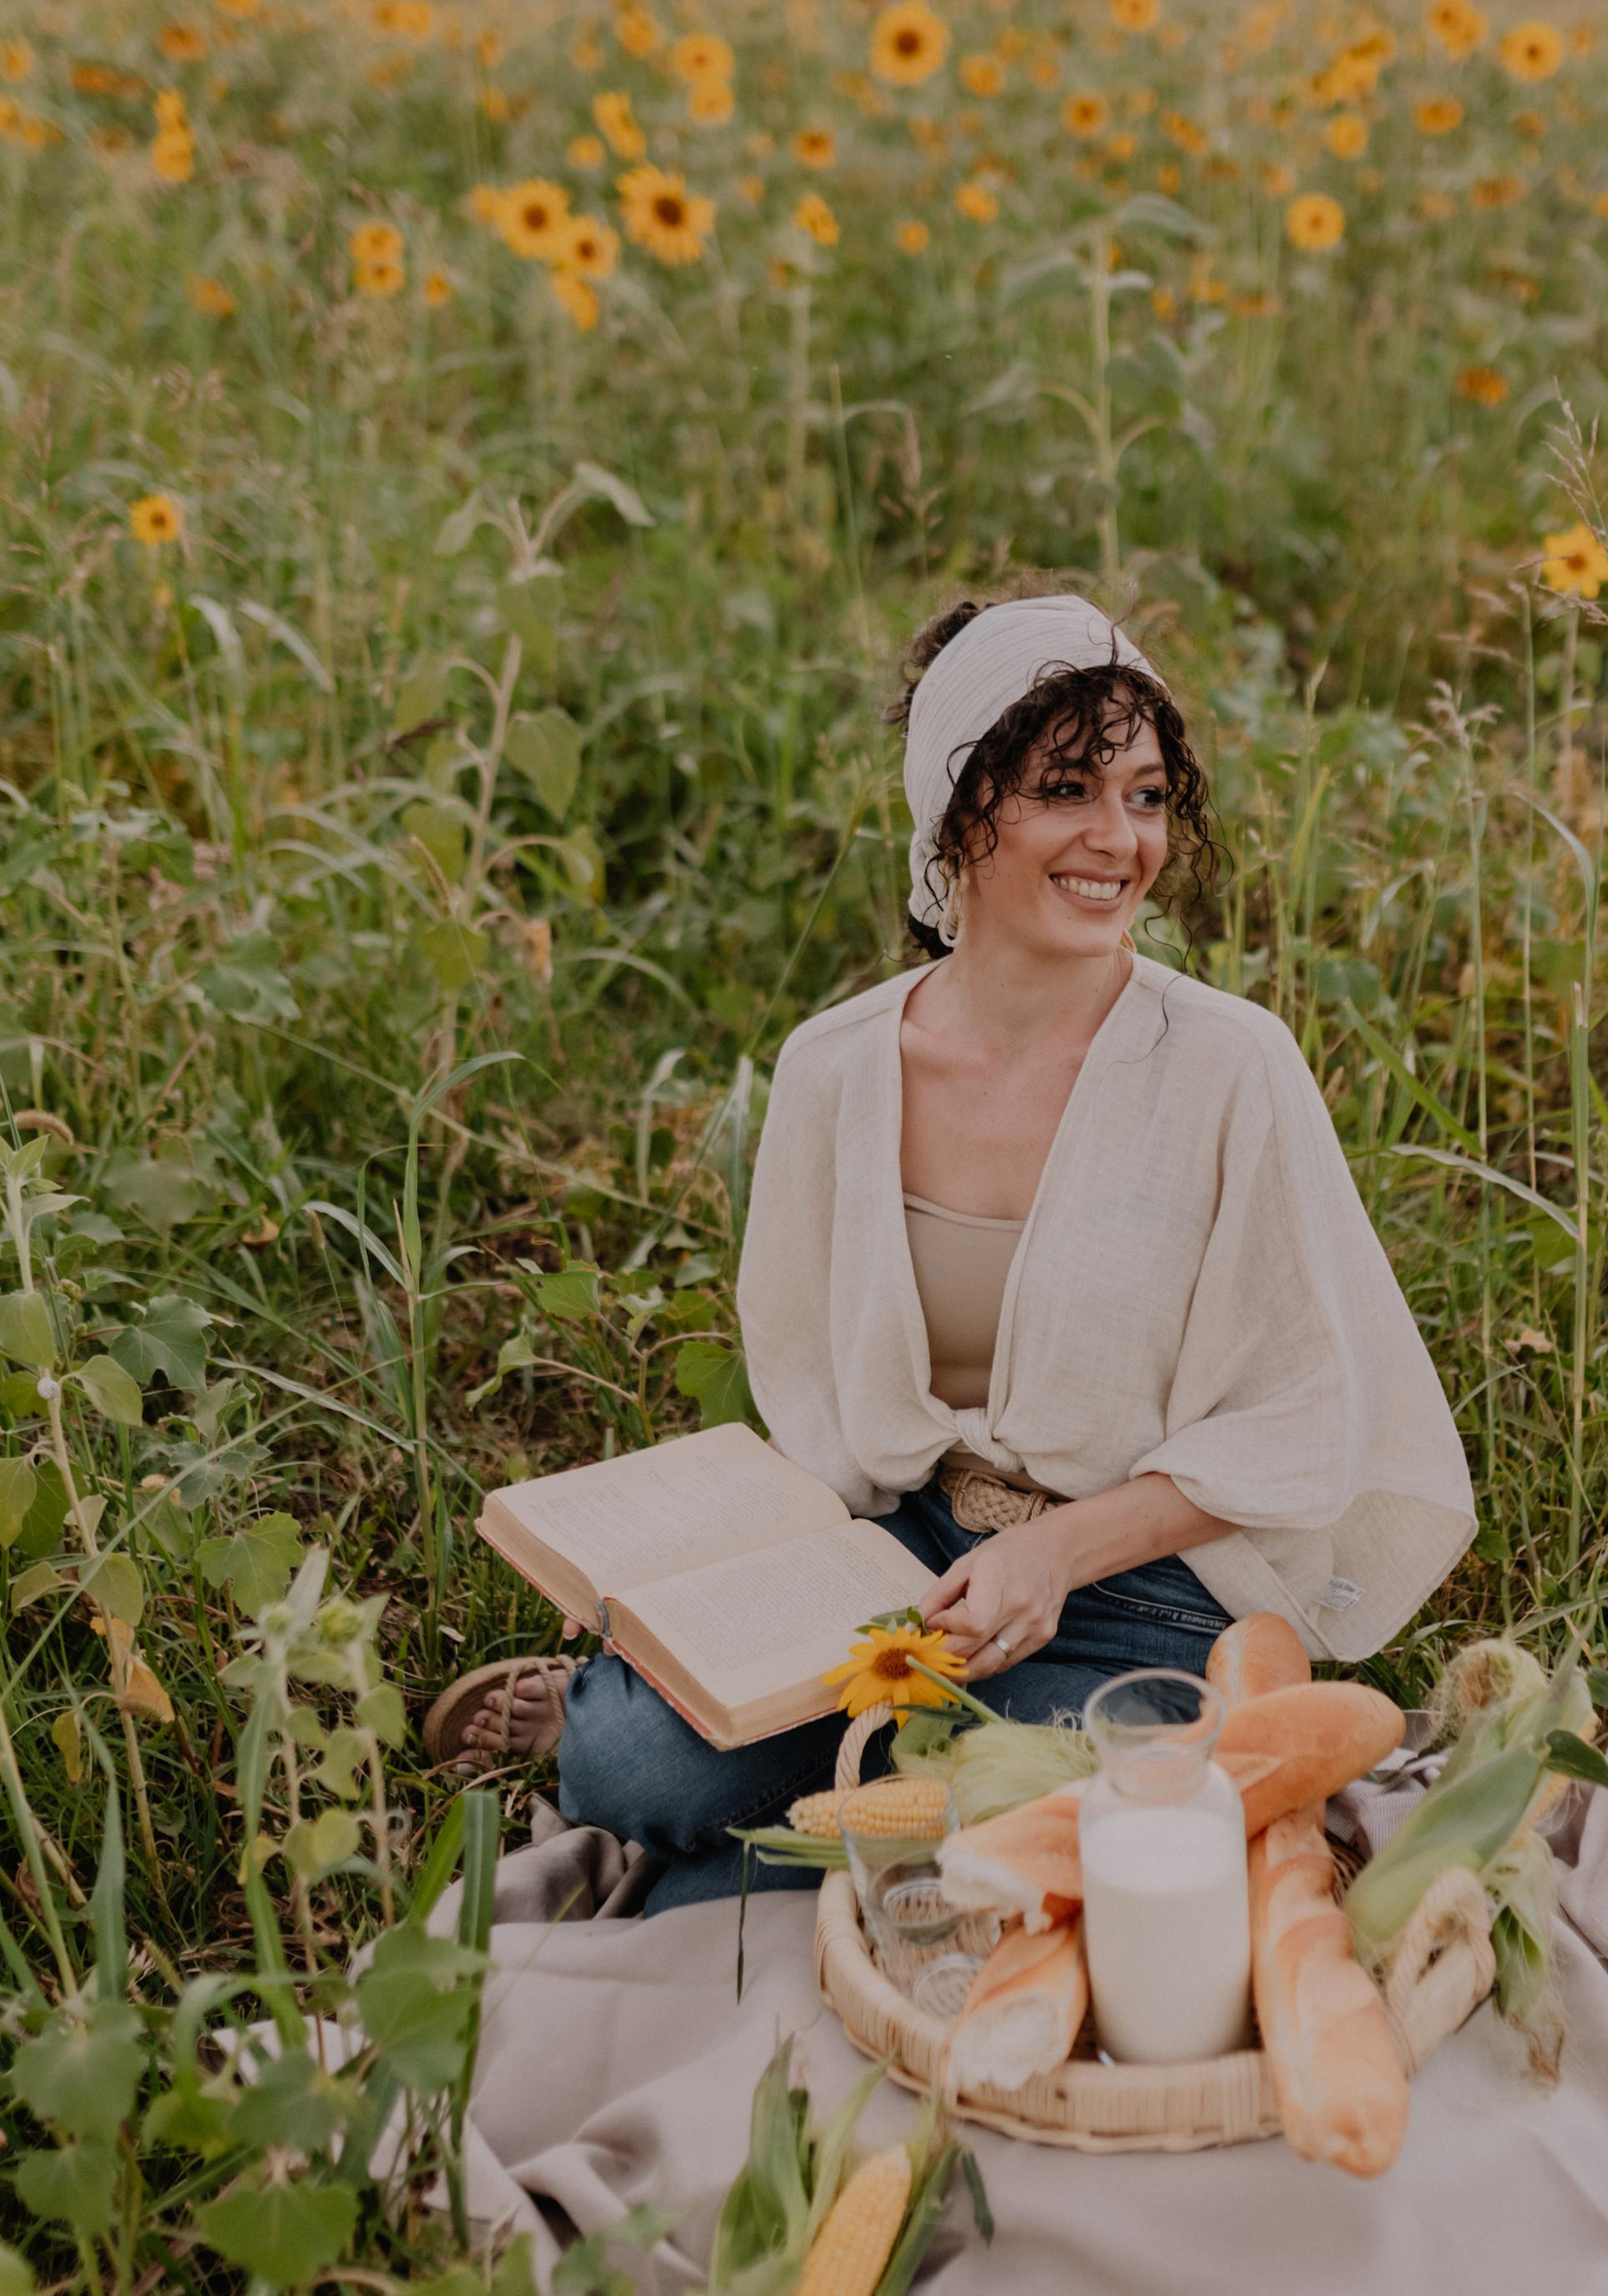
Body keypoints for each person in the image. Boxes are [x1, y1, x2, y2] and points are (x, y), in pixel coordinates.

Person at [434, 592, 1475, 1909]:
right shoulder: (835, 1071)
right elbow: (813, 1401)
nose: (1120, 841)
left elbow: (1309, 1415)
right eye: (1066, 790)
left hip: (1146, 1589)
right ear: (955, 807)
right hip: (911, 1546)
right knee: (633, 1765)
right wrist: (693, 1580)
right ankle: (636, 1734)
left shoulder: (1229, 1067)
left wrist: (1057, 1555)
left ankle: (767, 1846)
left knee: (1029, 1821)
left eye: (1148, 798)